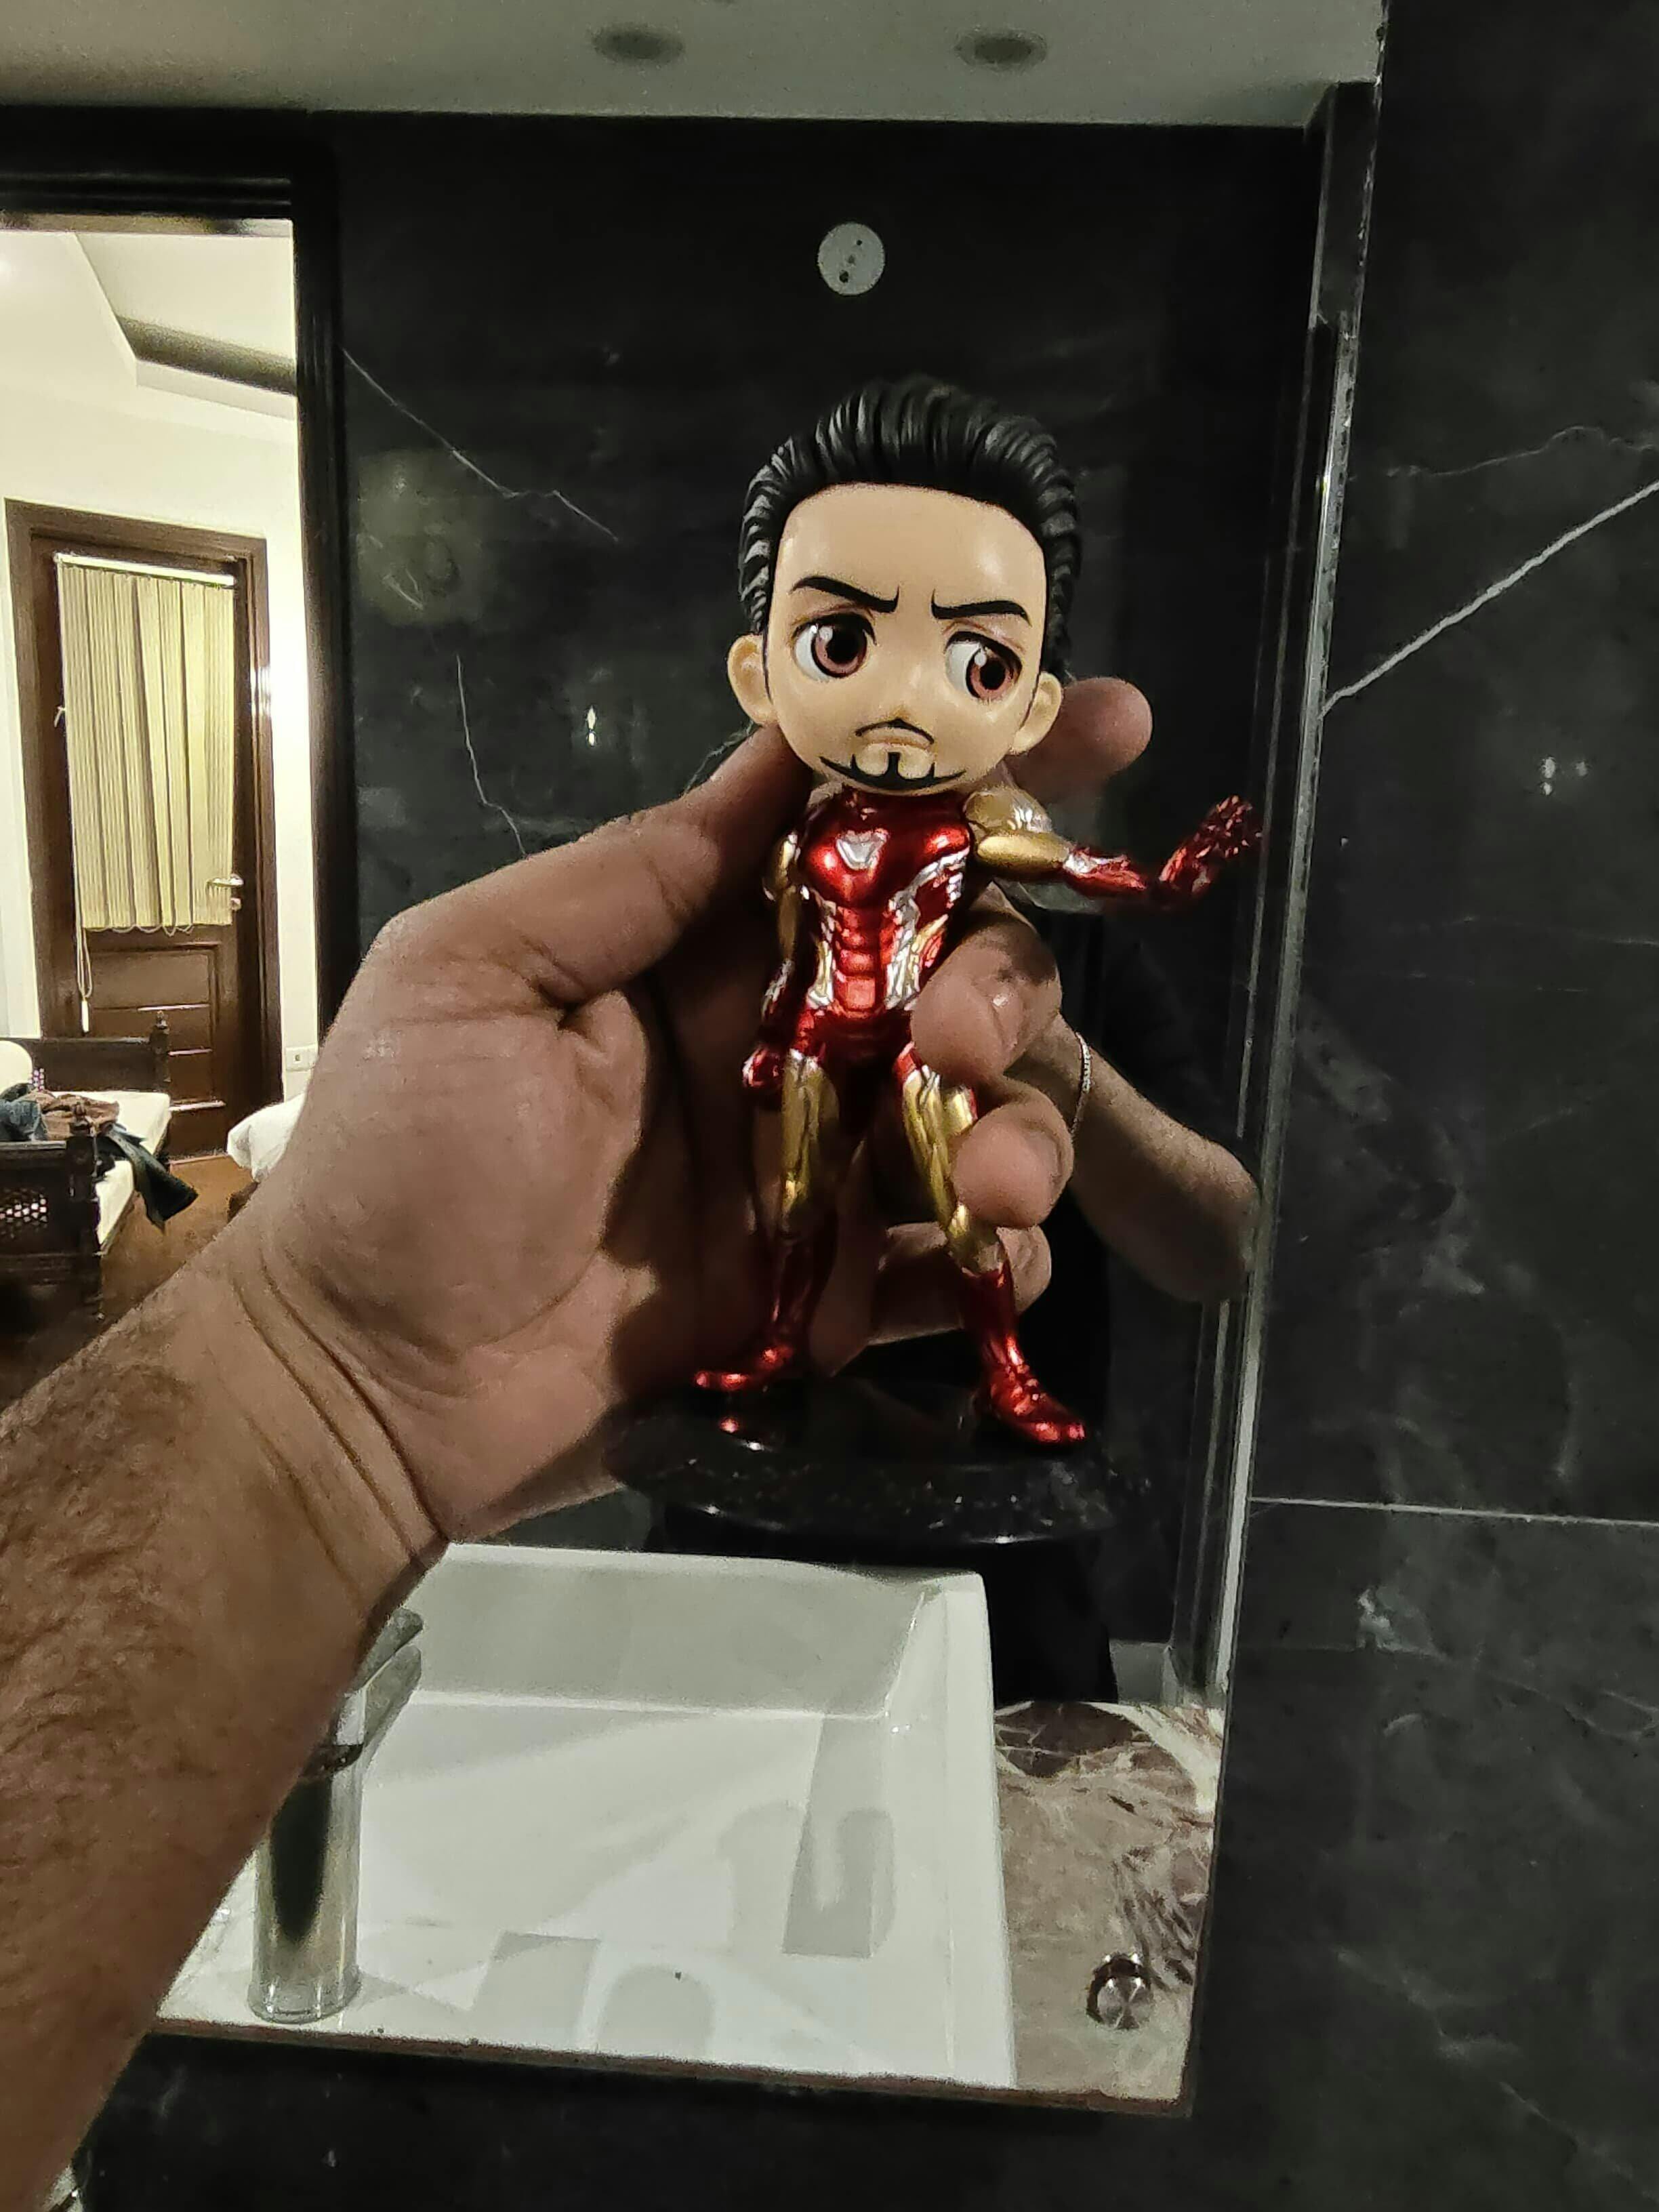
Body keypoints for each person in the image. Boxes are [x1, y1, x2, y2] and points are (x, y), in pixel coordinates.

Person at [0, 680, 1252, 2204]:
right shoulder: (736, 922)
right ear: (771, 688)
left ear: (1023, 695)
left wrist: (1061, 1059)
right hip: (728, 1546)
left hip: (1016, 1584)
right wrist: (324, 1360)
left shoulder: (1059, 944)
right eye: (849, 646)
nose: (904, 706)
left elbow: (1221, 1239)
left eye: (965, 660)